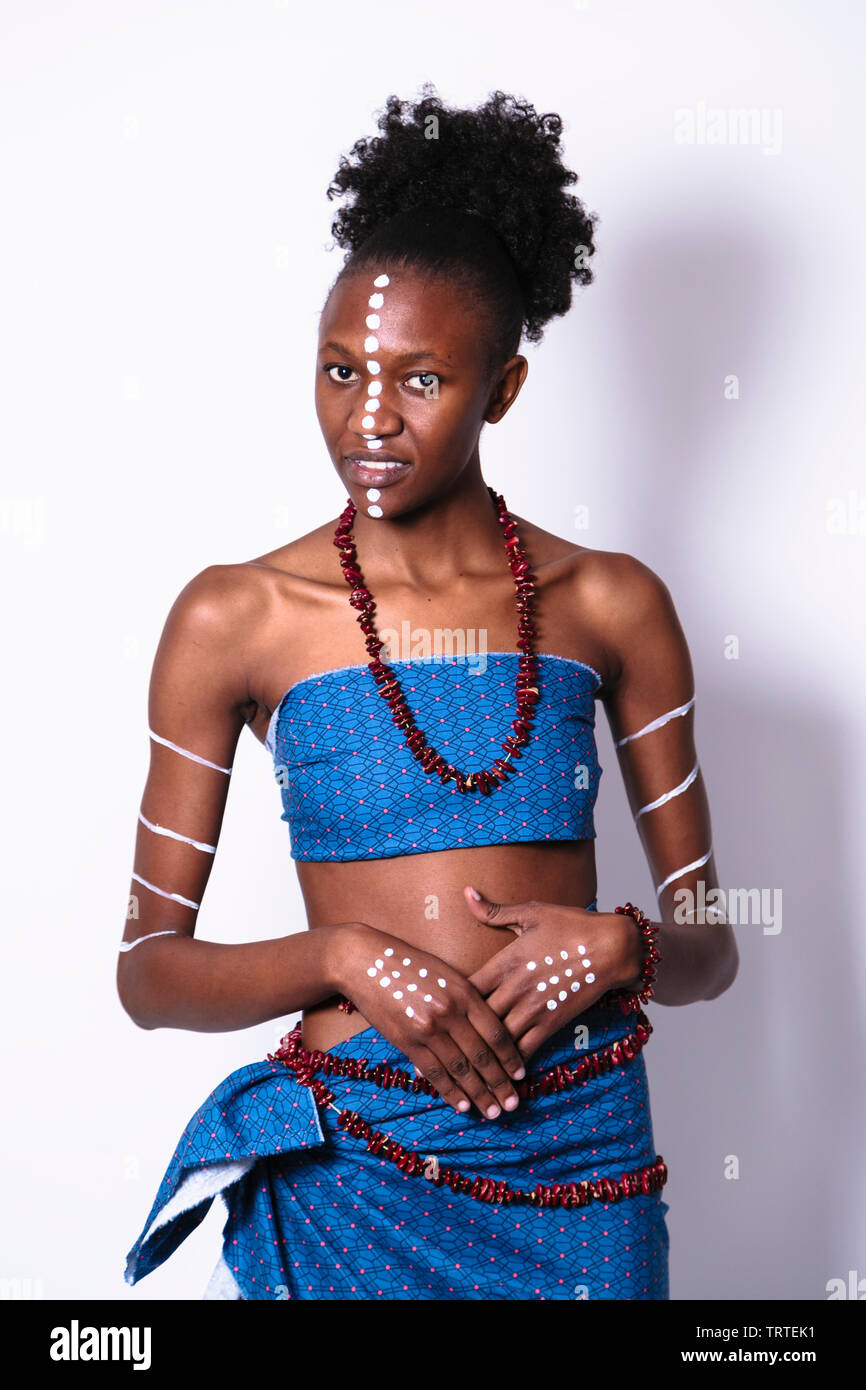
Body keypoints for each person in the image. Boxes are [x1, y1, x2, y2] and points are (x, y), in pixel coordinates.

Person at [120, 85, 738, 1302]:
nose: (367, 418)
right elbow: (148, 972)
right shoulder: (232, 617)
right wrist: (342, 955)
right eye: (341, 370)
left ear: (500, 389)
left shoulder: (610, 604)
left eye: (418, 380)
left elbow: (716, 948)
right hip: (356, 1163)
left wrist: (623, 944)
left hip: (583, 1164)